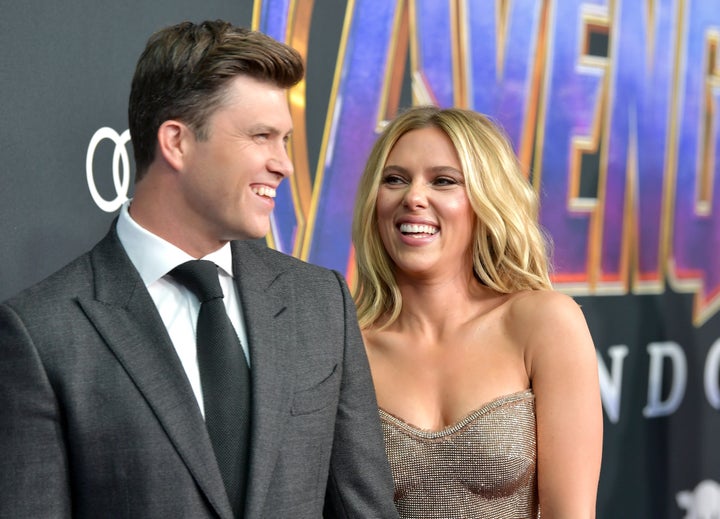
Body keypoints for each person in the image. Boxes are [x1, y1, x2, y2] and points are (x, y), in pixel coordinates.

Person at [0, 20, 398, 519]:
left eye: (286, 140)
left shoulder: (320, 303)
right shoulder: (41, 333)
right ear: (177, 142)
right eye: (261, 137)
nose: (285, 164)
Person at [351, 106, 603, 518]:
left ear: (485, 200)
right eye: (394, 179)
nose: (413, 196)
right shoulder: (346, 342)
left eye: (443, 181)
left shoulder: (542, 323)